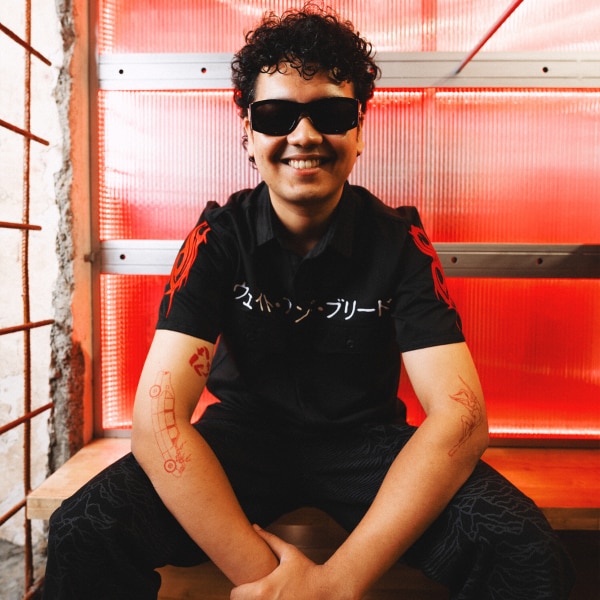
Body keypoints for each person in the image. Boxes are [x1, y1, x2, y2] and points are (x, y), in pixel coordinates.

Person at [44, 5, 574, 599]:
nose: (304, 136)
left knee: (523, 547)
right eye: (276, 115)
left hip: (365, 445)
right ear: (248, 133)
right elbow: (157, 418)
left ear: (359, 131)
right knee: (83, 530)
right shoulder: (217, 238)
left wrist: (336, 585)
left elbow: (462, 418)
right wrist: (270, 581)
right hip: (242, 442)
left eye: (330, 113)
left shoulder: (400, 242)